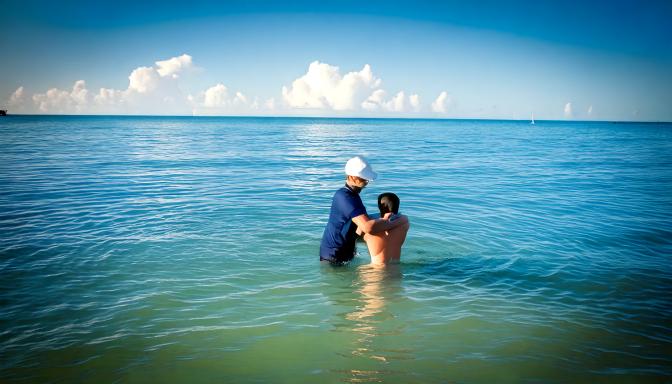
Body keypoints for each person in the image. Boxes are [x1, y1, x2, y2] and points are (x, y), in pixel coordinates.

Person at [320, 156, 409, 265]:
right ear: (352, 177)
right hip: (333, 256)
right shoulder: (346, 197)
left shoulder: (352, 196)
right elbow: (367, 227)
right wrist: (398, 220)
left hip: (344, 252)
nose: (366, 182)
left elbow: (358, 228)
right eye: (363, 179)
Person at [359, 193, 410, 265]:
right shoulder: (404, 222)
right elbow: (392, 220)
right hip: (396, 270)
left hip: (375, 271)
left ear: (381, 207)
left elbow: (357, 234)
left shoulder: (371, 225)